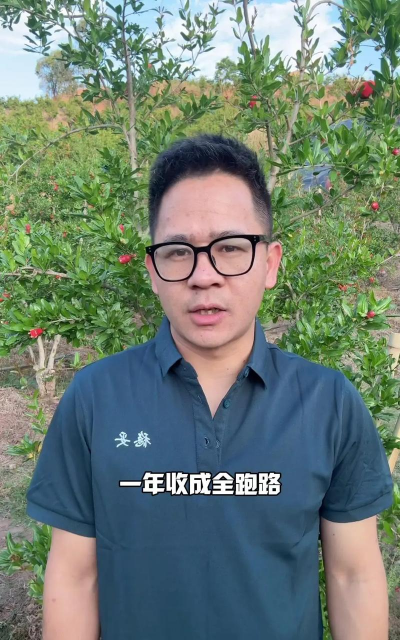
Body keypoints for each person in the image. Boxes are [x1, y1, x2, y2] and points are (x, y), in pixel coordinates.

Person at [26, 134, 394, 640]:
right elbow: (74, 577)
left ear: (270, 263)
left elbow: (354, 577)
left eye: (230, 248)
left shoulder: (328, 402)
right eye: (179, 252)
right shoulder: (94, 398)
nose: (204, 276)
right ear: (153, 271)